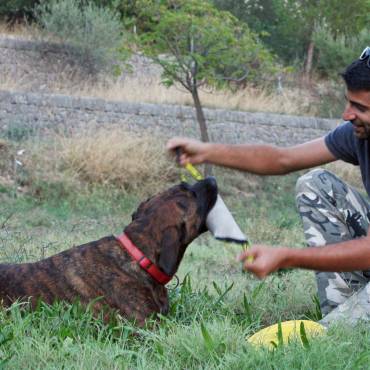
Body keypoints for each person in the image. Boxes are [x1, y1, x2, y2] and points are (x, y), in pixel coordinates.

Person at [167, 47, 370, 326]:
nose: (347, 114)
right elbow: (282, 158)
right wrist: (207, 152)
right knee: (315, 183)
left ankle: (345, 327)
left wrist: (286, 257)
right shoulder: (359, 134)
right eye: (349, 102)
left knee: (332, 335)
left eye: (360, 107)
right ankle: (343, 311)